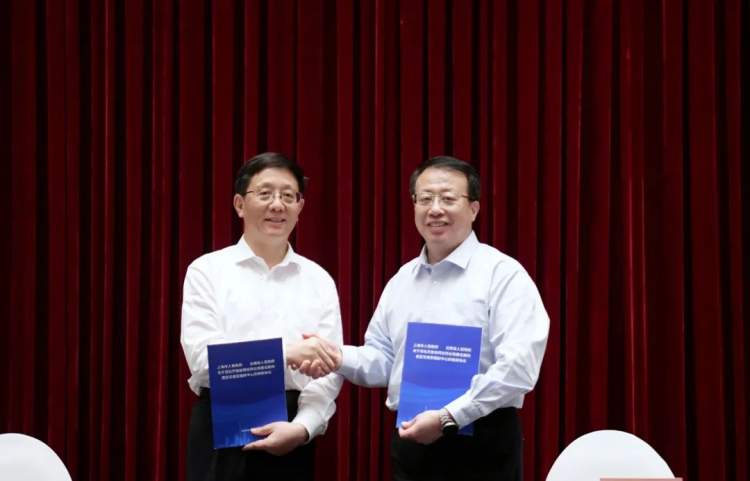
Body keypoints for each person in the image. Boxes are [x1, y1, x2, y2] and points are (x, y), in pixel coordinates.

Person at [298, 156, 549, 481]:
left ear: (474, 208)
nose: (435, 209)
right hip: (413, 440)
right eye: (425, 198)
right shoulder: (403, 280)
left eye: (448, 198)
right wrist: (335, 356)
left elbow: (518, 368)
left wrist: (448, 417)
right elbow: (385, 361)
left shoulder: (503, 275)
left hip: (482, 443)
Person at [180, 152, 343, 481]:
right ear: (240, 204)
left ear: (300, 206)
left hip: (291, 432)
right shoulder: (207, 271)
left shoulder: (319, 280)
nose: (277, 205)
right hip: (220, 427)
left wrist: (303, 427)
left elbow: (328, 371)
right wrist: (286, 354)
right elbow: (203, 360)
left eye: (288, 196)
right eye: (265, 193)